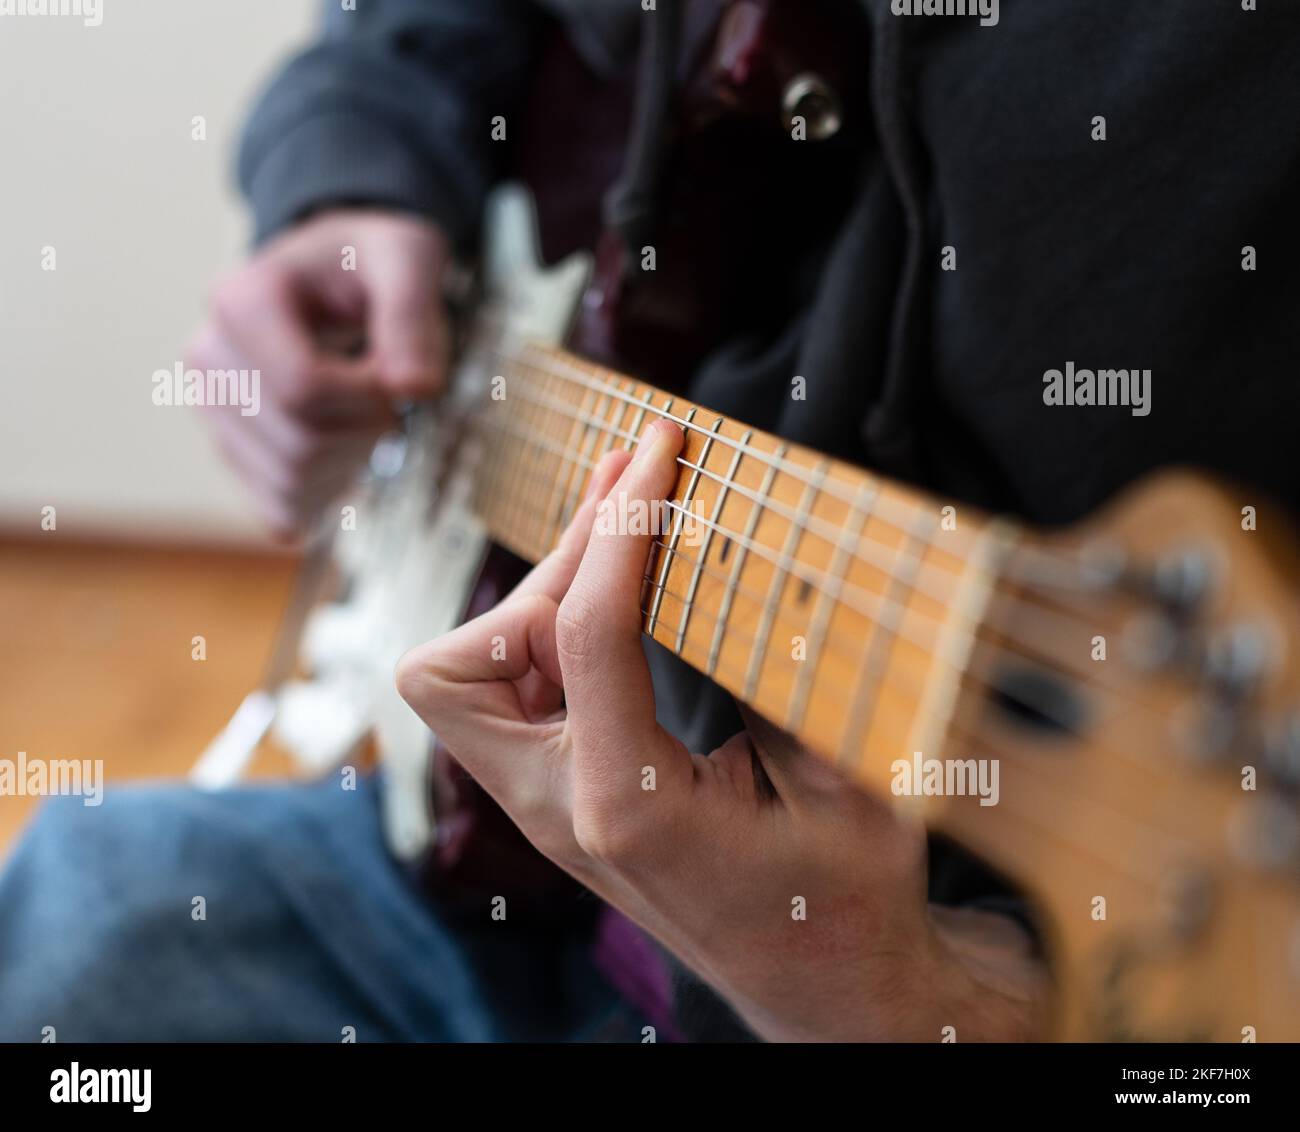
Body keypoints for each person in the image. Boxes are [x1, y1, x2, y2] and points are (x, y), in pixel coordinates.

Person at [3, 0, 1294, 1042]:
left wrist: (911, 1004)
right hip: (497, 867)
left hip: (878, 989)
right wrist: (344, 177)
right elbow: (407, 30)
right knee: (79, 911)